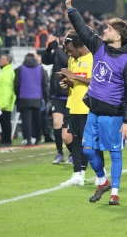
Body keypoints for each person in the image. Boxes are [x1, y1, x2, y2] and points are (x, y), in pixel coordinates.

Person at [66, 0, 127, 206]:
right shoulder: (99, 47)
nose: (103, 30)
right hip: (94, 111)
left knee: (115, 153)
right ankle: (102, 180)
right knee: (88, 150)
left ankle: (114, 193)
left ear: (118, 36)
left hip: (114, 114)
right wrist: (70, 8)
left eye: (108, 29)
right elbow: (83, 29)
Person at [59, 31, 94, 186]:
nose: (69, 53)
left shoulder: (93, 57)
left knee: (90, 142)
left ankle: (98, 174)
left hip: (88, 106)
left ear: (80, 45)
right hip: (73, 104)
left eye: (71, 50)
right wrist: (66, 81)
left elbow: (96, 82)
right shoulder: (72, 59)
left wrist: (73, 76)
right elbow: (76, 83)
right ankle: (77, 174)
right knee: (75, 141)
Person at [42, 33, 73, 164]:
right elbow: (45, 60)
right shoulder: (57, 50)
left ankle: (73, 153)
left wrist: (56, 47)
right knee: (56, 123)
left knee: (68, 130)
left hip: (70, 94)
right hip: (57, 95)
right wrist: (49, 48)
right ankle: (59, 153)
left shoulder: (74, 52)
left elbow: (66, 62)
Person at [14, 53, 49, 145]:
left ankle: (28, 139)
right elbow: (45, 84)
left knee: (26, 120)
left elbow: (16, 84)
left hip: (24, 97)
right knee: (37, 119)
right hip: (37, 97)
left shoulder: (20, 68)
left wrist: (18, 96)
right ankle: (38, 138)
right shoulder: (40, 68)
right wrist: (45, 97)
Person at [0, 54, 16, 147]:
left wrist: (4, 104)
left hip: (4, 103)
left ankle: (7, 141)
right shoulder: (4, 71)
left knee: (5, 122)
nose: (0, 60)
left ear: (7, 61)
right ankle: (4, 140)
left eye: (2, 59)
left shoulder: (7, 73)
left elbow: (7, 90)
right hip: (1, 102)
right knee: (3, 122)